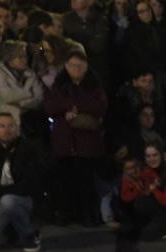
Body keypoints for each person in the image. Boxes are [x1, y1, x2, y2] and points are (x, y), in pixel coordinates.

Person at [43, 48, 108, 226]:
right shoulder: (59, 85)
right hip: (64, 140)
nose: (76, 69)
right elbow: (50, 105)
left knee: (86, 181)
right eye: (73, 65)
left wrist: (75, 109)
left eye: (80, 65)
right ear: (66, 66)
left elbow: (100, 106)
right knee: (65, 181)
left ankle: (87, 215)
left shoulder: (94, 85)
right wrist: (68, 108)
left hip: (86, 142)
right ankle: (65, 214)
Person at [0, 111, 46, 252]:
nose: (6, 130)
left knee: (9, 201)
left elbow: (30, 184)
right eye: (2, 126)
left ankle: (29, 236)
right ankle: (13, 233)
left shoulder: (27, 148)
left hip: (23, 199)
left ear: (17, 128)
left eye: (10, 126)